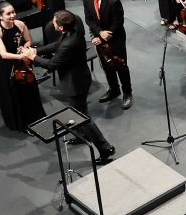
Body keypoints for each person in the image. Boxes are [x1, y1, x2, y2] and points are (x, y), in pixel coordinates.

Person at [22, 10, 116, 162]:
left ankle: (105, 148)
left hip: (75, 83)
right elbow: (55, 45)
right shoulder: (73, 32)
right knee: (76, 111)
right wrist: (36, 50)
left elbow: (52, 64)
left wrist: (33, 57)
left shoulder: (69, 44)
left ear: (61, 27)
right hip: (79, 78)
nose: (52, 23)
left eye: (54, 22)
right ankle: (82, 136)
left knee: (83, 116)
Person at [0, 2, 46, 133]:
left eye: (13, 12)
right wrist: (23, 56)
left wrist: (25, 48)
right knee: (14, 94)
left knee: (29, 90)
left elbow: (28, 41)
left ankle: (36, 117)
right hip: (7, 66)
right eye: (8, 14)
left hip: (22, 63)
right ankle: (22, 124)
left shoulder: (20, 24)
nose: (12, 15)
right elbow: (3, 54)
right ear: (0, 16)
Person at [83, 0, 132, 110]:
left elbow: (118, 22)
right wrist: (100, 34)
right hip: (99, 37)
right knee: (106, 66)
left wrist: (107, 34)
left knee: (120, 65)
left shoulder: (113, 0)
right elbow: (88, 19)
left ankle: (127, 93)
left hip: (115, 38)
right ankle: (114, 89)